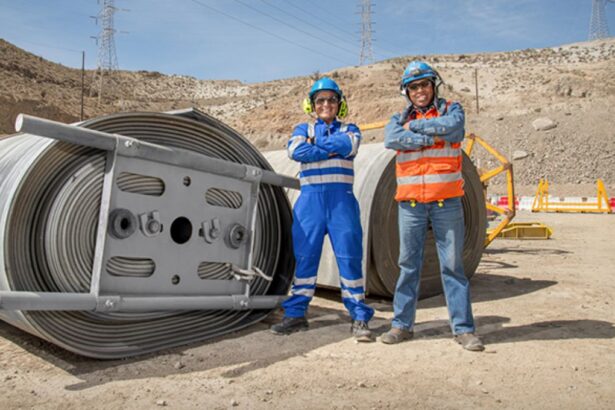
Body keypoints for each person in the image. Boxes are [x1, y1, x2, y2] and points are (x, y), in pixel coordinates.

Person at [381, 61, 484, 351]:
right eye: (413, 87)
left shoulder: (452, 109)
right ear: (407, 92)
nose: (420, 91)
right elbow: (392, 138)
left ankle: (463, 329)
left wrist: (413, 129)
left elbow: (454, 128)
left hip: (446, 203)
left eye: (424, 84)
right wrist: (432, 136)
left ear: (433, 85)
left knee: (453, 267)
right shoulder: (395, 118)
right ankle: (402, 325)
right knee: (407, 266)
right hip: (410, 206)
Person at [270, 77, 375, 342]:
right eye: (320, 100)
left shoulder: (350, 128)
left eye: (331, 99)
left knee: (349, 258)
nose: (326, 104)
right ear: (312, 105)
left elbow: (348, 145)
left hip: (342, 203)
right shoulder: (300, 128)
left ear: (339, 104)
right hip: (310, 203)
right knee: (304, 258)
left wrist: (315, 147)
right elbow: (295, 150)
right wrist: (326, 150)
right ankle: (295, 315)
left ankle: (359, 317)